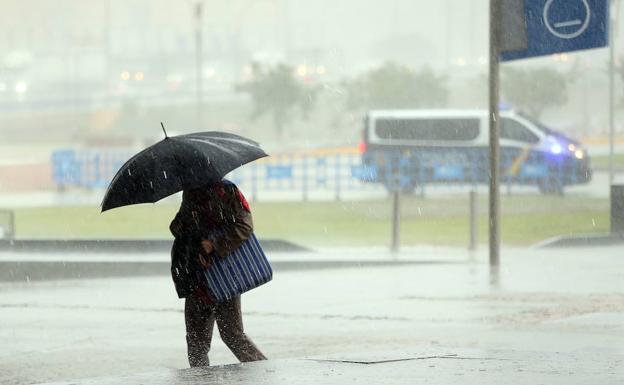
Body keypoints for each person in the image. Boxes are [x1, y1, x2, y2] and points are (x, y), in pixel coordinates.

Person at [169, 179, 267, 367]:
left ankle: (263, 372)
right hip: (196, 278)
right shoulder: (191, 192)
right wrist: (186, 227)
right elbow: (179, 228)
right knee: (196, 344)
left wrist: (214, 244)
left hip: (224, 275)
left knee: (232, 335)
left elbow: (244, 226)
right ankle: (200, 380)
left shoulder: (227, 190)